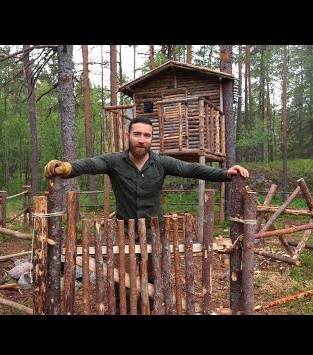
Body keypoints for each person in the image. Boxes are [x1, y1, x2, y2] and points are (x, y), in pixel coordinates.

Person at [44, 116, 249, 313]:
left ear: (151, 138)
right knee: (121, 278)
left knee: (153, 276)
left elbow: (191, 169)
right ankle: (122, 310)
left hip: (155, 231)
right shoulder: (114, 161)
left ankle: (150, 310)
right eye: (137, 134)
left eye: (147, 135)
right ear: (128, 136)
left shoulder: (161, 163)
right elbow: (91, 164)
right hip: (125, 230)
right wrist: (68, 168)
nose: (142, 140)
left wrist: (225, 173)